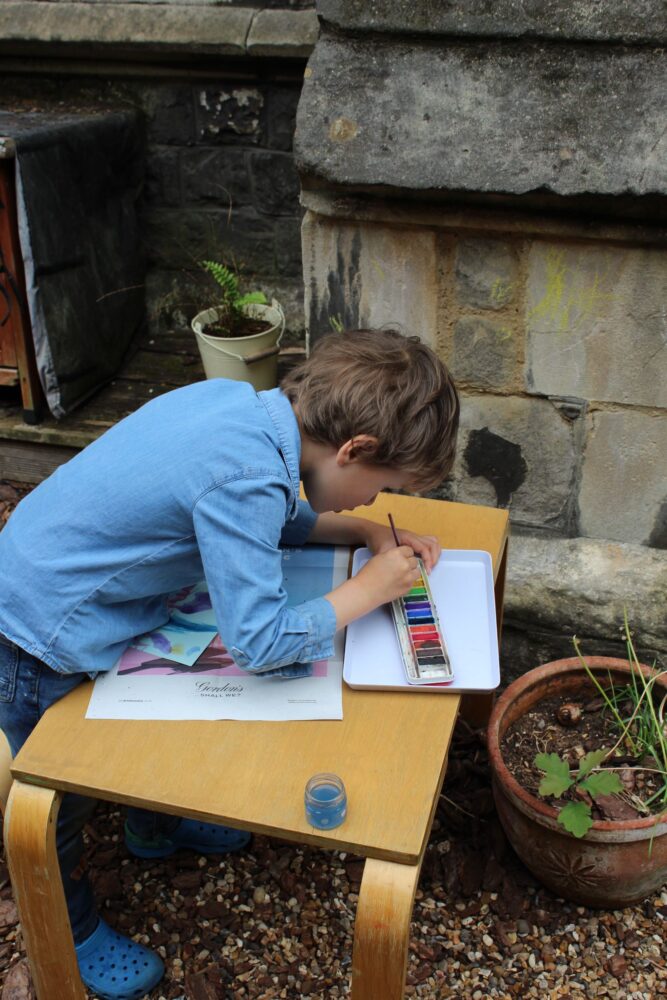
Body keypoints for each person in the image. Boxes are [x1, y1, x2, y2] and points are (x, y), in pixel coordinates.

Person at [0, 327, 459, 999]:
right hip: (38, 636)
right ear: (354, 449)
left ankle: (151, 824)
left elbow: (264, 515)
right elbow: (260, 644)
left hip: (42, 582)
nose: (374, 502)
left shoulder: (240, 408)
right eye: (382, 487)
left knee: (133, 733)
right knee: (57, 805)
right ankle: (67, 929)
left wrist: (361, 531)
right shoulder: (248, 476)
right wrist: (366, 591)